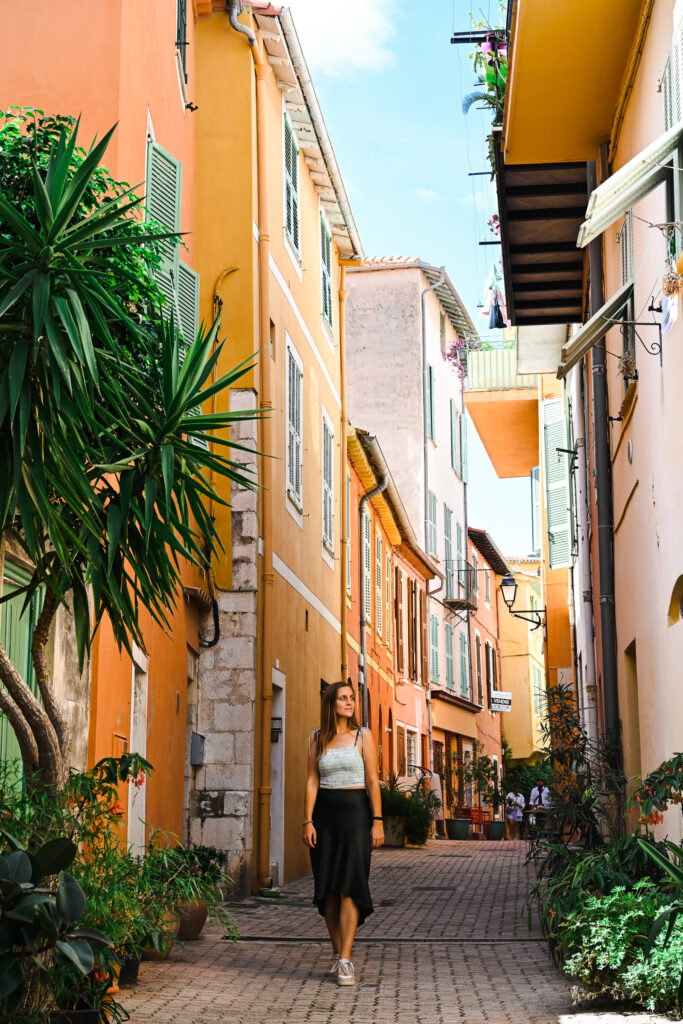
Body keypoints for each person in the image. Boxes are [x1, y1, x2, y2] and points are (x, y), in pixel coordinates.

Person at [302, 681, 384, 987]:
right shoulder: (316, 738)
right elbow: (312, 780)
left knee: (350, 885)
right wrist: (306, 820)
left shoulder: (364, 736)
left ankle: (346, 959)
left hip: (355, 817)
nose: (349, 703)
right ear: (331, 703)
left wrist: (377, 820)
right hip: (324, 818)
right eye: (343, 698)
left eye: (351, 698)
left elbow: (373, 782)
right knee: (328, 889)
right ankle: (338, 954)